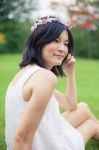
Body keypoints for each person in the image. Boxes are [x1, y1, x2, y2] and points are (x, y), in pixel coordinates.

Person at [5, 16, 99, 150]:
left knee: (82, 107)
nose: (62, 49)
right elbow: (21, 137)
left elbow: (70, 105)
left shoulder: (28, 72)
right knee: (91, 125)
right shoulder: (45, 77)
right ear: (39, 42)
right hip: (47, 145)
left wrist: (71, 73)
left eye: (66, 44)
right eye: (56, 41)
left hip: (42, 134)